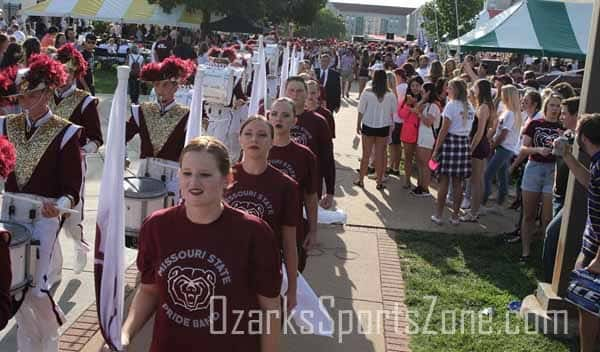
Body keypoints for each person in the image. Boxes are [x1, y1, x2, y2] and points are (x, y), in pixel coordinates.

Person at [121, 136, 282, 352]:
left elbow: (270, 307)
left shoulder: (254, 232)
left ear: (227, 179)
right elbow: (149, 291)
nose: (193, 183)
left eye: (205, 175)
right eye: (187, 173)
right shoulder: (157, 225)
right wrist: (125, 333)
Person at [0, 54, 83, 351]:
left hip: (43, 217)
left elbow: (73, 187)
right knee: (14, 286)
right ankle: (27, 345)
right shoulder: (5, 124)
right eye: (22, 94)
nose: (24, 100)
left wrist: (58, 205)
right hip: (8, 213)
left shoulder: (66, 131)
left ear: (48, 92)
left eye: (32, 94)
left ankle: (50, 340)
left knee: (36, 289)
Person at [224, 116, 299, 310]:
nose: (254, 140)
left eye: (262, 135)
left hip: (265, 271)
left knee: (262, 330)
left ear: (272, 141)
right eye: (248, 134)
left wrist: (292, 287)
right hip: (226, 267)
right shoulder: (223, 178)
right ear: (240, 139)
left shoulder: (286, 186)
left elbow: (290, 243)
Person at [555, 113, 600, 352]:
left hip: (596, 248)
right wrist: (567, 156)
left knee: (588, 301)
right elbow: (589, 181)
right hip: (592, 242)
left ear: (583, 137)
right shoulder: (597, 162)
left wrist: (598, 258)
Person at [126, 56, 195, 201]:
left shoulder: (187, 114)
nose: (160, 90)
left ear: (176, 86)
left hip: (172, 177)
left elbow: (192, 150)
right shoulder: (141, 111)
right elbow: (122, 135)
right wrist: (123, 155)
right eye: (157, 85)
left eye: (165, 85)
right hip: (145, 172)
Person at [267, 97, 319, 272]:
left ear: (294, 120)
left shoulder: (304, 155)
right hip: (263, 226)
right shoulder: (256, 148)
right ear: (268, 117)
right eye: (274, 114)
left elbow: (310, 196)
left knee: (292, 275)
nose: (278, 119)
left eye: (285, 115)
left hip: (292, 226)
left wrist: (313, 230)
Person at [516, 94, 563, 262]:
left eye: (558, 105)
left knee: (547, 218)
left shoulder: (562, 127)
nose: (555, 109)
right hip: (534, 168)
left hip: (553, 170)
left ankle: (546, 255)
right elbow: (523, 148)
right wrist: (537, 150)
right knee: (529, 214)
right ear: (546, 107)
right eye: (552, 105)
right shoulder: (535, 124)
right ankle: (525, 252)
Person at [542, 97, 581, 281]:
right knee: (557, 240)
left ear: (576, 115)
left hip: (573, 198)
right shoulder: (565, 136)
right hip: (559, 194)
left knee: (552, 234)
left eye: (565, 113)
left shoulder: (583, 142)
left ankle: (550, 283)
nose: (561, 115)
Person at [285, 76, 335, 209]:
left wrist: (330, 191)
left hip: (309, 185)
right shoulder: (274, 118)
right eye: (291, 90)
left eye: (300, 91)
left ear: (306, 93)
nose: (295, 95)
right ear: (285, 92)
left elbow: (328, 158)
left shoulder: (319, 122)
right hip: (281, 184)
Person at [431, 78, 475, 225]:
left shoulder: (451, 106)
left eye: (449, 87)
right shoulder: (470, 106)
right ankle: (455, 217)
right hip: (463, 143)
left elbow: (444, 130)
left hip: (450, 142)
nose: (446, 90)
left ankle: (438, 215)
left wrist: (436, 149)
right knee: (458, 183)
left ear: (455, 90)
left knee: (444, 181)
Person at [354, 69, 397, 190]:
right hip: (383, 127)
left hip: (368, 125)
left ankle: (361, 179)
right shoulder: (391, 95)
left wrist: (358, 124)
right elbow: (393, 111)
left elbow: (361, 110)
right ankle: (379, 181)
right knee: (380, 155)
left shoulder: (367, 92)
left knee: (366, 154)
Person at [481, 85, 522, 214]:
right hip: (505, 148)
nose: (500, 96)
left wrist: (492, 146)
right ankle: (499, 204)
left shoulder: (510, 113)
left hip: (503, 148)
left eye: (503, 93)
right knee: (502, 177)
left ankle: (481, 203)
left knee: (487, 175)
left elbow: (503, 134)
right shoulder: (509, 111)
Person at [203, 47, 248, 162]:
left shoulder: (207, 72)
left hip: (218, 114)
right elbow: (241, 97)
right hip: (216, 115)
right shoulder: (232, 74)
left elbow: (240, 97)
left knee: (215, 147)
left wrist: (240, 101)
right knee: (215, 147)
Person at [461, 79, 494, 220]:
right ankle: (476, 209)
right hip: (482, 145)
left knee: (475, 181)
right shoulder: (485, 106)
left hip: (479, 146)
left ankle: (473, 212)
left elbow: (479, 132)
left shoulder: (484, 107)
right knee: (478, 180)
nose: (473, 89)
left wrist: (470, 149)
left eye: (475, 87)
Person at [413, 82, 441, 196]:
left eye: (423, 91)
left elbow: (429, 122)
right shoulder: (427, 104)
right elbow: (416, 109)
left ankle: (425, 188)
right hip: (422, 136)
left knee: (425, 163)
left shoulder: (434, 106)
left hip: (428, 137)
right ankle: (420, 185)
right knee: (420, 161)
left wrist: (420, 115)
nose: (421, 92)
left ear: (429, 92)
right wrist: (423, 100)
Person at [399, 76, 423, 189]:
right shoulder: (406, 99)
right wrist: (408, 105)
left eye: (417, 85)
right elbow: (401, 115)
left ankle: (421, 183)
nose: (415, 88)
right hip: (408, 132)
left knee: (421, 160)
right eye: (412, 85)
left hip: (422, 133)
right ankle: (407, 180)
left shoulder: (426, 99)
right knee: (408, 158)